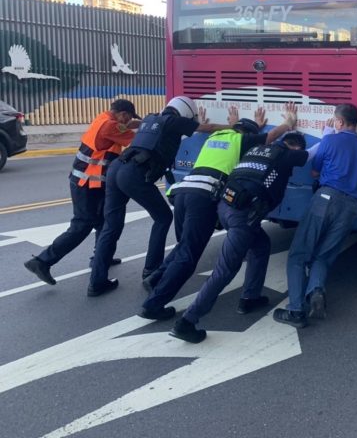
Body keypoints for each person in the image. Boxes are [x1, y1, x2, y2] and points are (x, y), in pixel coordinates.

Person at [139, 103, 298, 321]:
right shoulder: (242, 140)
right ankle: (153, 304)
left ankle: (157, 277)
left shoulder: (219, 136)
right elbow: (269, 138)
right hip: (203, 197)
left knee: (187, 244)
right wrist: (287, 124)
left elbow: (230, 130)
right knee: (189, 255)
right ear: (249, 135)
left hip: (184, 191)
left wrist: (238, 123)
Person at [87, 96, 236, 297]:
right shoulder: (175, 121)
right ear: (184, 112)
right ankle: (151, 269)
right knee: (163, 217)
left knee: (111, 226)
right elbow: (206, 128)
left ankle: (96, 282)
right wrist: (232, 125)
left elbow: (134, 123)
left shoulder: (151, 118)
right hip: (134, 173)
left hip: (116, 168)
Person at [170, 130, 310, 343]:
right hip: (242, 217)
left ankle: (250, 298)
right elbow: (307, 156)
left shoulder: (256, 150)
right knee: (225, 270)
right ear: (295, 146)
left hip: (225, 208)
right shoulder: (287, 154)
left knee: (261, 245)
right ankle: (187, 321)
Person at [273, 103, 357, 329]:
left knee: (298, 254)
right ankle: (316, 290)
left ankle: (295, 310)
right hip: (351, 206)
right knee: (324, 255)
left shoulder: (330, 140)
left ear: (339, 122)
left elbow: (314, 171)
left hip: (325, 198)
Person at [22, 99, 140, 286]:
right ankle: (42, 261)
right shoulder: (111, 127)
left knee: (104, 220)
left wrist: (146, 121)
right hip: (87, 183)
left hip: (88, 182)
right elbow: (137, 141)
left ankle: (101, 257)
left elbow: (128, 125)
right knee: (82, 225)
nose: (128, 122)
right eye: (128, 118)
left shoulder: (103, 118)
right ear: (123, 114)